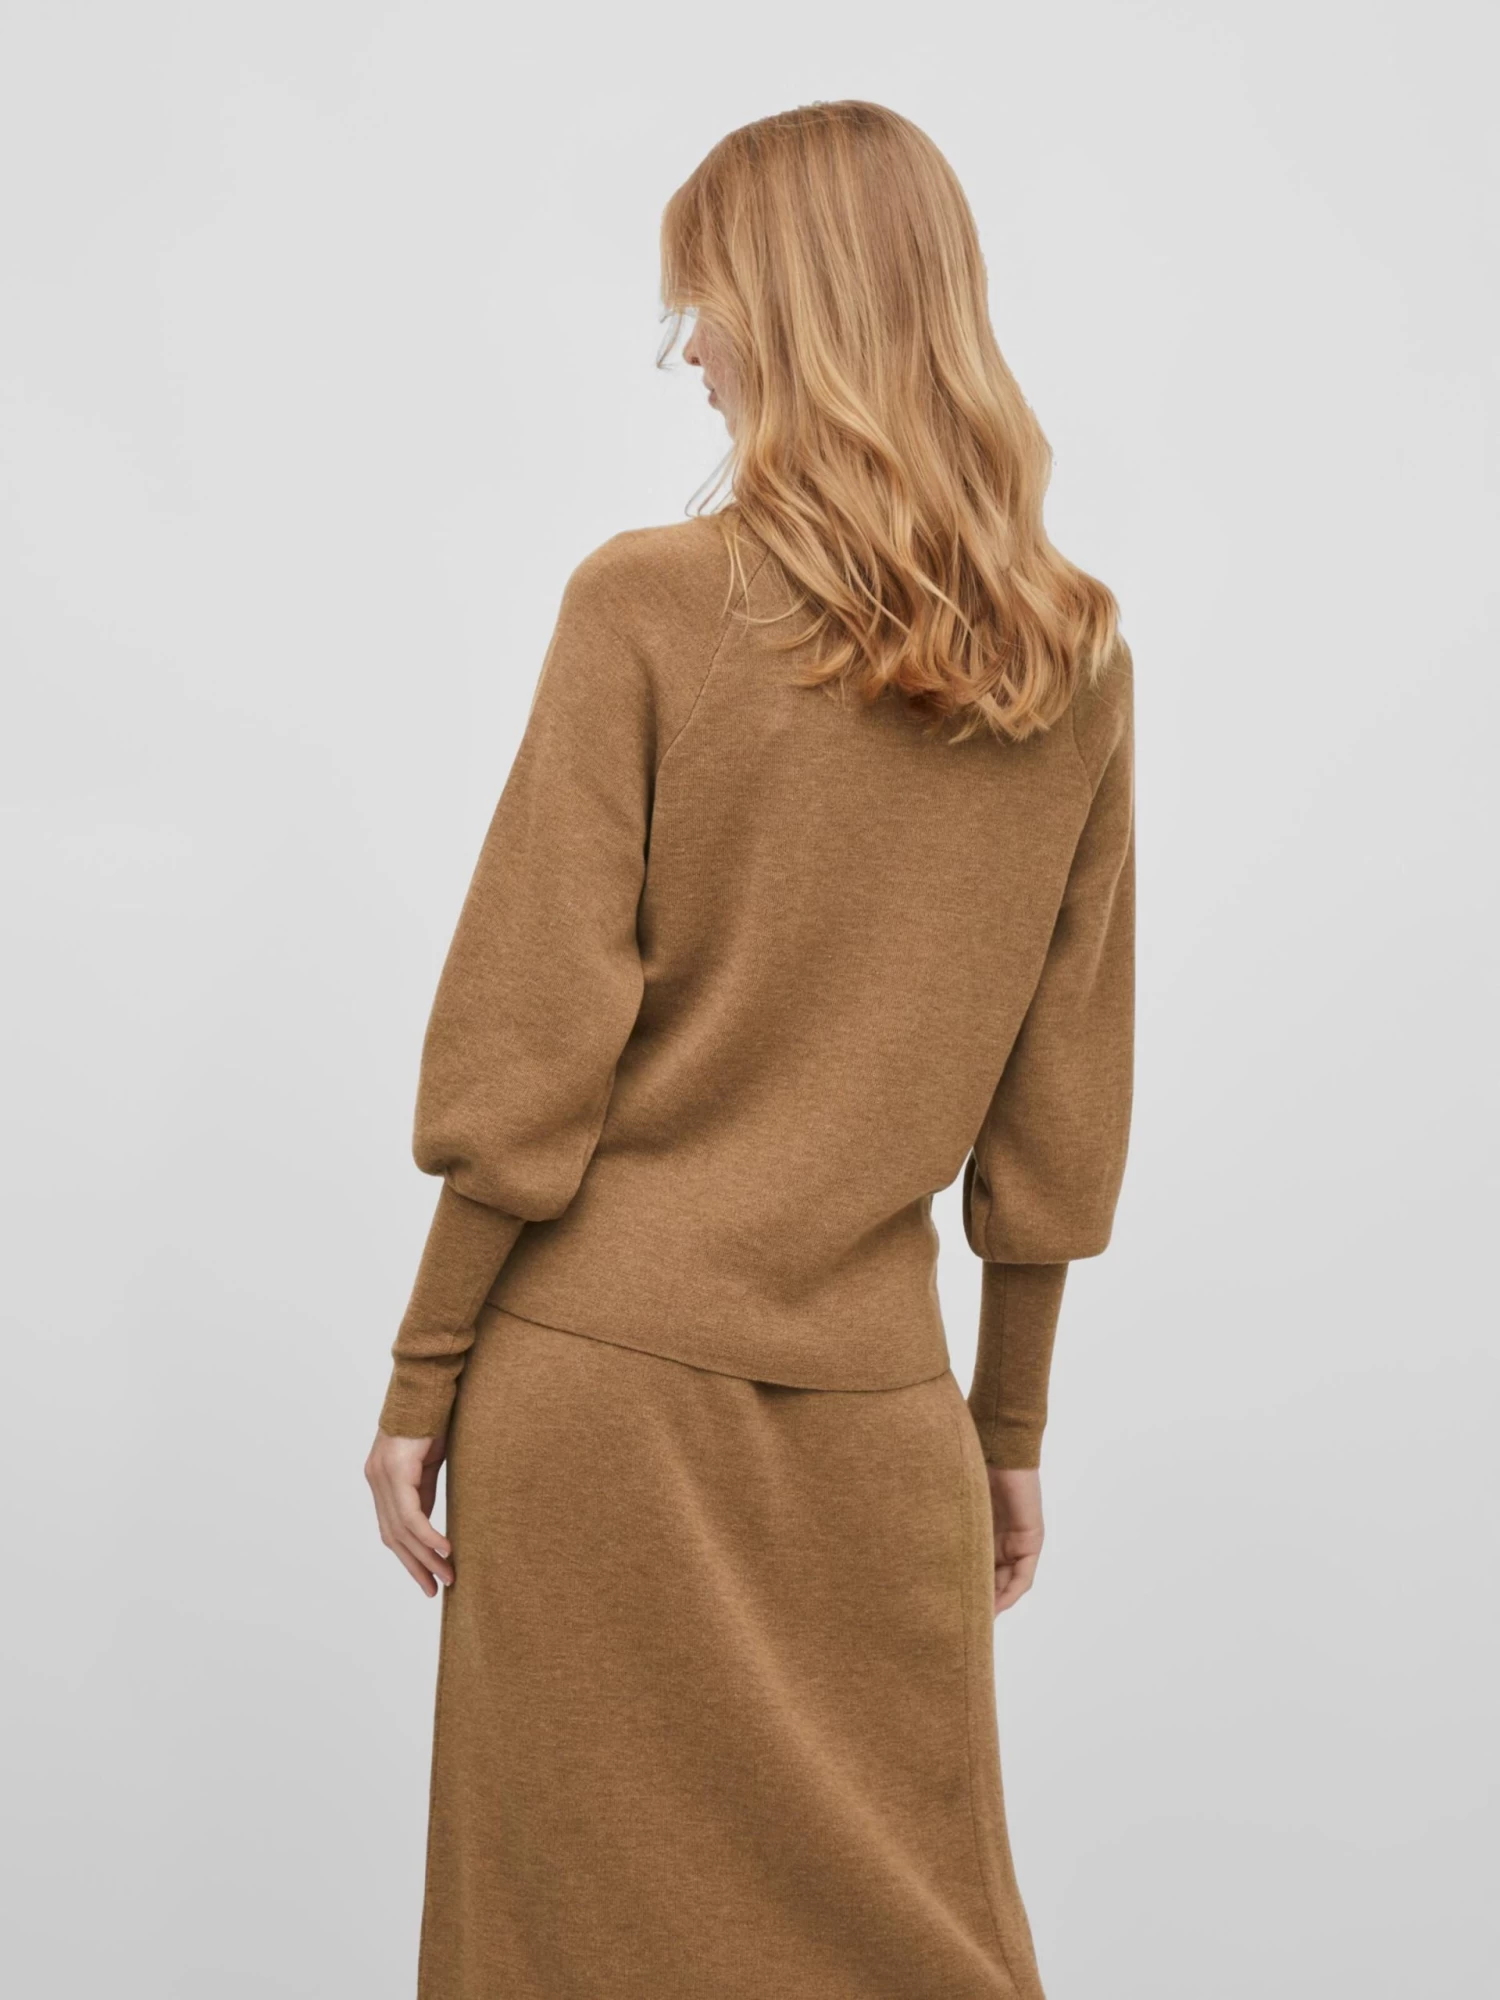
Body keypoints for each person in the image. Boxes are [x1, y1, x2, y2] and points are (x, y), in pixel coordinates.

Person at [365, 98, 1134, 2000]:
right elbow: (1059, 1109)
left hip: (597, 1394)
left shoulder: (647, 603)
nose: (688, 352)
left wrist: (422, 1372)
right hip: (887, 1419)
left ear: (784, 311)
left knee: (562, 1952)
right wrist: (1006, 1428)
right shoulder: (1072, 662)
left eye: (694, 305)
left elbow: (531, 1043)